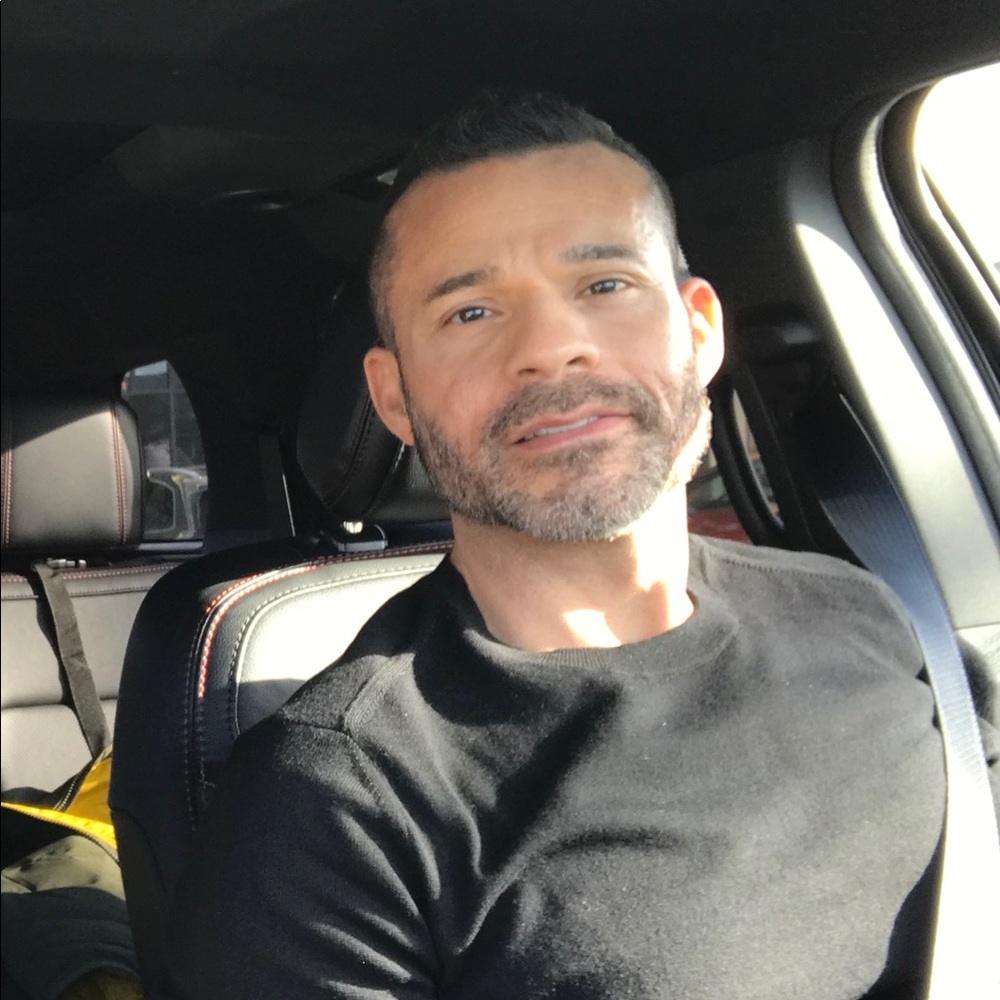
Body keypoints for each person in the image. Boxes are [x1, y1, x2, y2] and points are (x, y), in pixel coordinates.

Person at [165, 92, 967, 999]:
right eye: (471, 311)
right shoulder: (340, 797)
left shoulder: (869, 616)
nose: (552, 347)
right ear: (393, 399)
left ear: (700, 330)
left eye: (604, 285)